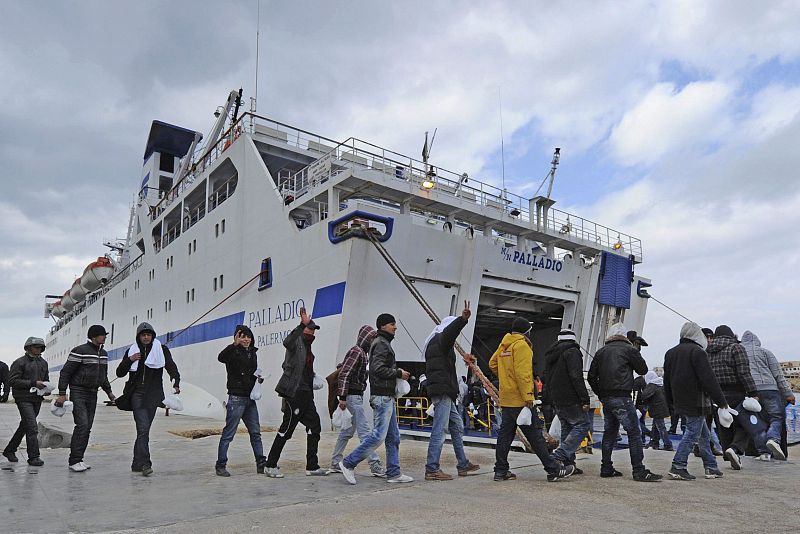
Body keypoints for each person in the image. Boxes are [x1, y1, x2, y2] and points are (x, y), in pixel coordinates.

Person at [490, 317, 574, 482]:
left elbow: (492, 364)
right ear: (527, 331)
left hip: (507, 399)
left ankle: (500, 471)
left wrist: (506, 380)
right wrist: (528, 397)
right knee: (535, 436)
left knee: (505, 436)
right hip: (521, 400)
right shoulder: (522, 345)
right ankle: (554, 469)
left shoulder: (504, 345)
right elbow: (523, 374)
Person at [339, 313, 414, 485]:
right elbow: (377, 369)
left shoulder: (383, 342)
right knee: (378, 436)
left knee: (393, 437)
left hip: (386, 396)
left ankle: (394, 473)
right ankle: (348, 463)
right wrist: (398, 373)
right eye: (392, 324)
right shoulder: (381, 343)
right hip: (382, 397)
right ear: (382, 326)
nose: (395, 327)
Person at [588, 323, 661, 482]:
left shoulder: (601, 352)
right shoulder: (629, 350)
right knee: (634, 433)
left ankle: (606, 467)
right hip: (623, 397)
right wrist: (635, 351)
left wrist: (601, 394)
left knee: (609, 433)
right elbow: (642, 370)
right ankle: (639, 470)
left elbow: (591, 377)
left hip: (607, 399)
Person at [265, 307, 327, 478]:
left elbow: (304, 369)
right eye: (310, 328)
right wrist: (301, 325)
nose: (312, 332)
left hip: (307, 394)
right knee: (287, 429)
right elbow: (287, 342)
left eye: (314, 330)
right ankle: (270, 465)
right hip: (295, 394)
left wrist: (313, 377)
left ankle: (312, 466)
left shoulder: (308, 347)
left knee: (315, 426)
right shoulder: (296, 343)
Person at [663, 322, 729, 480]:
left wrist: (670, 401)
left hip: (680, 400)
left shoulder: (670, 353)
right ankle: (678, 466)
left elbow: (667, 380)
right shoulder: (698, 352)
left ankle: (711, 466)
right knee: (692, 433)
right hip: (697, 401)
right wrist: (721, 401)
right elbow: (708, 379)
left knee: (704, 434)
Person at [424, 302, 480, 481]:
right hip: (443, 390)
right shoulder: (441, 339)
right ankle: (432, 468)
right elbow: (450, 333)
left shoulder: (434, 343)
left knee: (456, 425)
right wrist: (463, 320)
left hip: (444, 390)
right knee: (439, 430)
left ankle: (463, 463)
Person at [116, 322, 180, 476]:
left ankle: (136, 463)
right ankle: (145, 463)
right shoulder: (132, 351)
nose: (146, 337)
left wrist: (176, 381)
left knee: (143, 431)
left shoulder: (161, 350)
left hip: (153, 394)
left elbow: (170, 365)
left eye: (148, 334)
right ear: (139, 337)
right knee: (143, 429)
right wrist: (130, 360)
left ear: (153, 336)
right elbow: (120, 373)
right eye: (143, 335)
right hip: (136, 394)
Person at [54, 325, 116, 472]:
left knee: (87, 428)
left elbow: (103, 376)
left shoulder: (104, 354)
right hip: (78, 391)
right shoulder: (80, 351)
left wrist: (109, 393)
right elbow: (66, 373)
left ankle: (79, 459)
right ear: (94, 336)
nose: (105, 337)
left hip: (93, 393)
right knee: (82, 425)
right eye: (102, 335)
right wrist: (62, 393)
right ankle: (74, 460)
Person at [328, 325, 385, 477]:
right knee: (365, 433)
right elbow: (345, 374)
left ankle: (335, 462)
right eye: (372, 337)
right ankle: (375, 465)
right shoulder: (357, 351)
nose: (373, 340)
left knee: (346, 433)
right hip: (353, 397)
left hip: (354, 397)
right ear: (366, 338)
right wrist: (343, 397)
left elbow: (345, 370)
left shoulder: (363, 354)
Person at [215, 325, 266, 477]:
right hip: (236, 398)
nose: (246, 339)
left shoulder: (252, 353)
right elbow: (221, 358)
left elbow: (250, 373)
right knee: (229, 433)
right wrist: (234, 345)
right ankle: (220, 465)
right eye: (242, 337)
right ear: (237, 338)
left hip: (250, 398)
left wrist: (258, 380)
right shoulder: (232, 352)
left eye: (248, 336)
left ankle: (261, 463)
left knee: (256, 433)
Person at [707, 325, 757, 470]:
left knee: (724, 425)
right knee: (745, 423)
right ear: (731, 335)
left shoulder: (708, 351)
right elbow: (743, 372)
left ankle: (728, 452)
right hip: (736, 391)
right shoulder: (736, 348)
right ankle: (735, 449)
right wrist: (753, 393)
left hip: (716, 395)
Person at [741, 330, 795, 461]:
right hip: (770, 389)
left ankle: (763, 453)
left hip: (749, 392)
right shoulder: (765, 352)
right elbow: (778, 375)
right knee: (776, 417)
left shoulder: (739, 353)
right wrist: (788, 394)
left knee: (756, 422)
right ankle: (773, 439)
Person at [542, 329, 591, 473]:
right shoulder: (572, 352)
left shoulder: (551, 354)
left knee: (567, 428)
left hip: (556, 397)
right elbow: (576, 376)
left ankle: (569, 464)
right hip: (570, 397)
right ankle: (559, 455)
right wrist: (584, 398)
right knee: (582, 425)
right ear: (573, 339)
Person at [3, 337, 50, 466]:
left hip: (37, 398)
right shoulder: (19, 363)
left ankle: (9, 450)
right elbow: (12, 381)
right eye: (36, 347)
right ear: (28, 348)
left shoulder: (44, 363)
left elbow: (46, 379)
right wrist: (33, 383)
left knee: (25, 425)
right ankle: (34, 457)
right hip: (23, 398)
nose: (38, 349)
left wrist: (47, 388)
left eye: (40, 347)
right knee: (32, 427)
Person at [638, 371, 672, 451]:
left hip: (657, 409)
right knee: (655, 427)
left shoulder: (652, 385)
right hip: (662, 408)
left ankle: (667, 444)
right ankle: (654, 442)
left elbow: (644, 395)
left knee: (661, 427)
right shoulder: (660, 383)